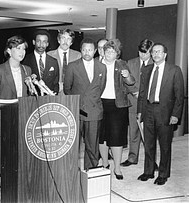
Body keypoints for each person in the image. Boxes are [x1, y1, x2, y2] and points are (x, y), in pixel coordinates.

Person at [0, 35, 32, 179]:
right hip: (2, 119)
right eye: (18, 48)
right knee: (3, 160)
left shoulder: (27, 70)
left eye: (23, 49)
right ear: (9, 51)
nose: (22, 52)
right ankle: (3, 188)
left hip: (21, 117)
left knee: (19, 158)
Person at [137, 43, 184, 185]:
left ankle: (163, 174)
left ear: (165, 55)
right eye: (154, 52)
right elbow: (142, 93)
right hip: (148, 110)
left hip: (165, 112)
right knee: (148, 143)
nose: (156, 54)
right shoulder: (146, 69)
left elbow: (179, 95)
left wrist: (175, 114)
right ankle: (148, 171)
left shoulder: (174, 70)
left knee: (164, 144)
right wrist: (140, 111)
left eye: (159, 52)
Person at [64, 38, 106, 170]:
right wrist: (79, 102)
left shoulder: (102, 67)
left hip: (94, 110)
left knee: (92, 144)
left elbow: (101, 87)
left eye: (90, 50)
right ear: (81, 51)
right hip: (77, 110)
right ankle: (72, 171)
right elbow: (67, 88)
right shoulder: (72, 66)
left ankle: (91, 170)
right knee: (74, 144)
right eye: (84, 49)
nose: (87, 52)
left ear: (95, 51)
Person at [99, 39, 135, 180]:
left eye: (112, 51)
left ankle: (118, 168)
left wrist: (127, 76)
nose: (109, 53)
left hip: (118, 105)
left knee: (117, 137)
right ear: (103, 52)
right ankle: (105, 163)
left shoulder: (122, 64)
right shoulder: (97, 65)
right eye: (107, 51)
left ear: (117, 54)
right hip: (100, 103)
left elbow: (131, 82)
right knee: (102, 136)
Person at [121, 39, 154, 167]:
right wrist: (135, 92)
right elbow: (125, 81)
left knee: (149, 134)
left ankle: (151, 160)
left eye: (146, 53)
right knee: (133, 131)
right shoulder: (131, 63)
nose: (143, 55)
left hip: (149, 104)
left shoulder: (155, 64)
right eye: (141, 52)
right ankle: (132, 157)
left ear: (151, 52)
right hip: (133, 102)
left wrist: (143, 95)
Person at [23, 29, 59, 95]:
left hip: (49, 99)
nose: (41, 44)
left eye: (44, 42)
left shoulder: (53, 61)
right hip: (32, 100)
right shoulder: (25, 60)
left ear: (47, 44)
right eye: (38, 41)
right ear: (34, 42)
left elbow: (55, 83)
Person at [47, 29, 81, 94]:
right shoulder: (49, 55)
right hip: (53, 92)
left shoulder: (78, 56)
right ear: (58, 40)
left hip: (72, 93)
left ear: (71, 42)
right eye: (63, 38)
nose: (65, 41)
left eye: (69, 39)